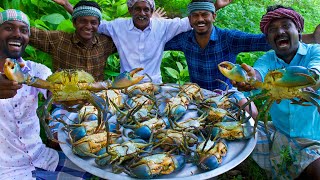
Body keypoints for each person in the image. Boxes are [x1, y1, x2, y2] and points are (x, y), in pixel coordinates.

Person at [164, 0, 320, 118]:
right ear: (189, 19)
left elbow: (264, 40)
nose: (200, 19)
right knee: (178, 116)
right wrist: (153, 23)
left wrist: (310, 37)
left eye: (204, 14)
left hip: (228, 91)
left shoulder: (228, 38)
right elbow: (156, 43)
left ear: (214, 16)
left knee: (252, 113)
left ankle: (252, 149)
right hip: (196, 91)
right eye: (195, 16)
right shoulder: (184, 40)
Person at [0, 9, 93, 179]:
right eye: (8, 28)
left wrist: (71, 98)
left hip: (41, 156)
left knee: (96, 167)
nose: (17, 34)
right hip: (5, 169)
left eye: (24, 30)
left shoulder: (36, 70)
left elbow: (53, 93)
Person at [230, 5, 320, 179]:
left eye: (286, 26)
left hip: (314, 137)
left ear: (298, 30)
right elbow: (258, 73)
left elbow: (316, 71)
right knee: (236, 128)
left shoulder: (315, 51)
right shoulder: (267, 59)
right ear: (268, 39)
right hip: (281, 133)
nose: (280, 32)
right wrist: (249, 79)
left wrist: (309, 81)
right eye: (272, 29)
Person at [54, 0, 233, 83]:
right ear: (130, 9)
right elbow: (91, 23)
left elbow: (192, 21)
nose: (142, 13)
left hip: (154, 85)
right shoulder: (117, 26)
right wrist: (67, 6)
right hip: (125, 85)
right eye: (137, 8)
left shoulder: (162, 26)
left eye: (146, 9)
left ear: (151, 10)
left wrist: (215, 6)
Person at [29, 0, 116, 81]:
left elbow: (126, 39)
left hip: (96, 95)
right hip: (64, 95)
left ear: (98, 25)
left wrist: (67, 5)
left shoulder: (105, 43)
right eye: (83, 21)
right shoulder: (59, 40)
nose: (88, 26)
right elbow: (25, 32)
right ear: (74, 23)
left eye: (93, 22)